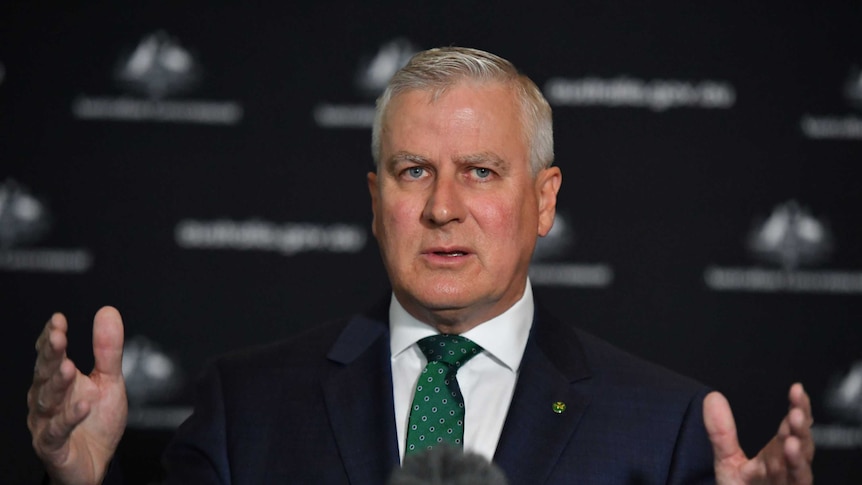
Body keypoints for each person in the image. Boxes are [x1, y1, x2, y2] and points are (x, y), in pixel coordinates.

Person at [28, 47, 814, 484]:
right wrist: (82, 479)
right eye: (413, 172)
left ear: (544, 201)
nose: (443, 206)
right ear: (376, 201)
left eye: (479, 170)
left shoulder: (665, 427)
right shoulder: (250, 405)